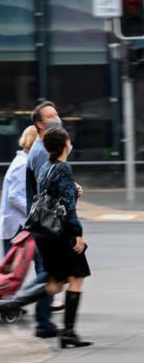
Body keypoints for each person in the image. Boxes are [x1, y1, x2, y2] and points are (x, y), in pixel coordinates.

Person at [0, 127, 92, 349]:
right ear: (64, 146)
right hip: (60, 233)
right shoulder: (63, 168)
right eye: (68, 141)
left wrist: (71, 189)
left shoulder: (44, 168)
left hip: (43, 233)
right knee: (76, 278)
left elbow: (50, 196)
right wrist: (78, 234)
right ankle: (68, 333)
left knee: (55, 283)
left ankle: (10, 305)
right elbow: (68, 208)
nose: (71, 144)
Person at [26, 101, 64, 338]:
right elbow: (45, 188)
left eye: (56, 113)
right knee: (51, 272)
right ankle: (10, 300)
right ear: (40, 124)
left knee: (52, 271)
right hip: (47, 221)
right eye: (51, 115)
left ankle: (43, 322)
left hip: (47, 220)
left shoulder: (46, 148)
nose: (56, 118)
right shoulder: (41, 152)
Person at [1, 126, 37, 256]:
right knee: (43, 267)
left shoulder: (23, 161)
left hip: (17, 225)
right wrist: (35, 214)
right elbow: (15, 196)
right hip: (18, 227)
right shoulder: (23, 164)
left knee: (12, 271)